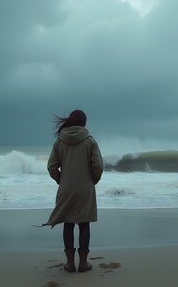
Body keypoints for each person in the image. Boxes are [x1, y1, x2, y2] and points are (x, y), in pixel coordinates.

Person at [44, 109, 103, 273]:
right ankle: (83, 263)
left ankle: (70, 264)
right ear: (84, 123)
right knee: (84, 224)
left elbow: (51, 167)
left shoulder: (59, 142)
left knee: (68, 223)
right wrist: (93, 181)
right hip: (85, 189)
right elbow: (98, 166)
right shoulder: (90, 141)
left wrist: (61, 180)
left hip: (66, 188)